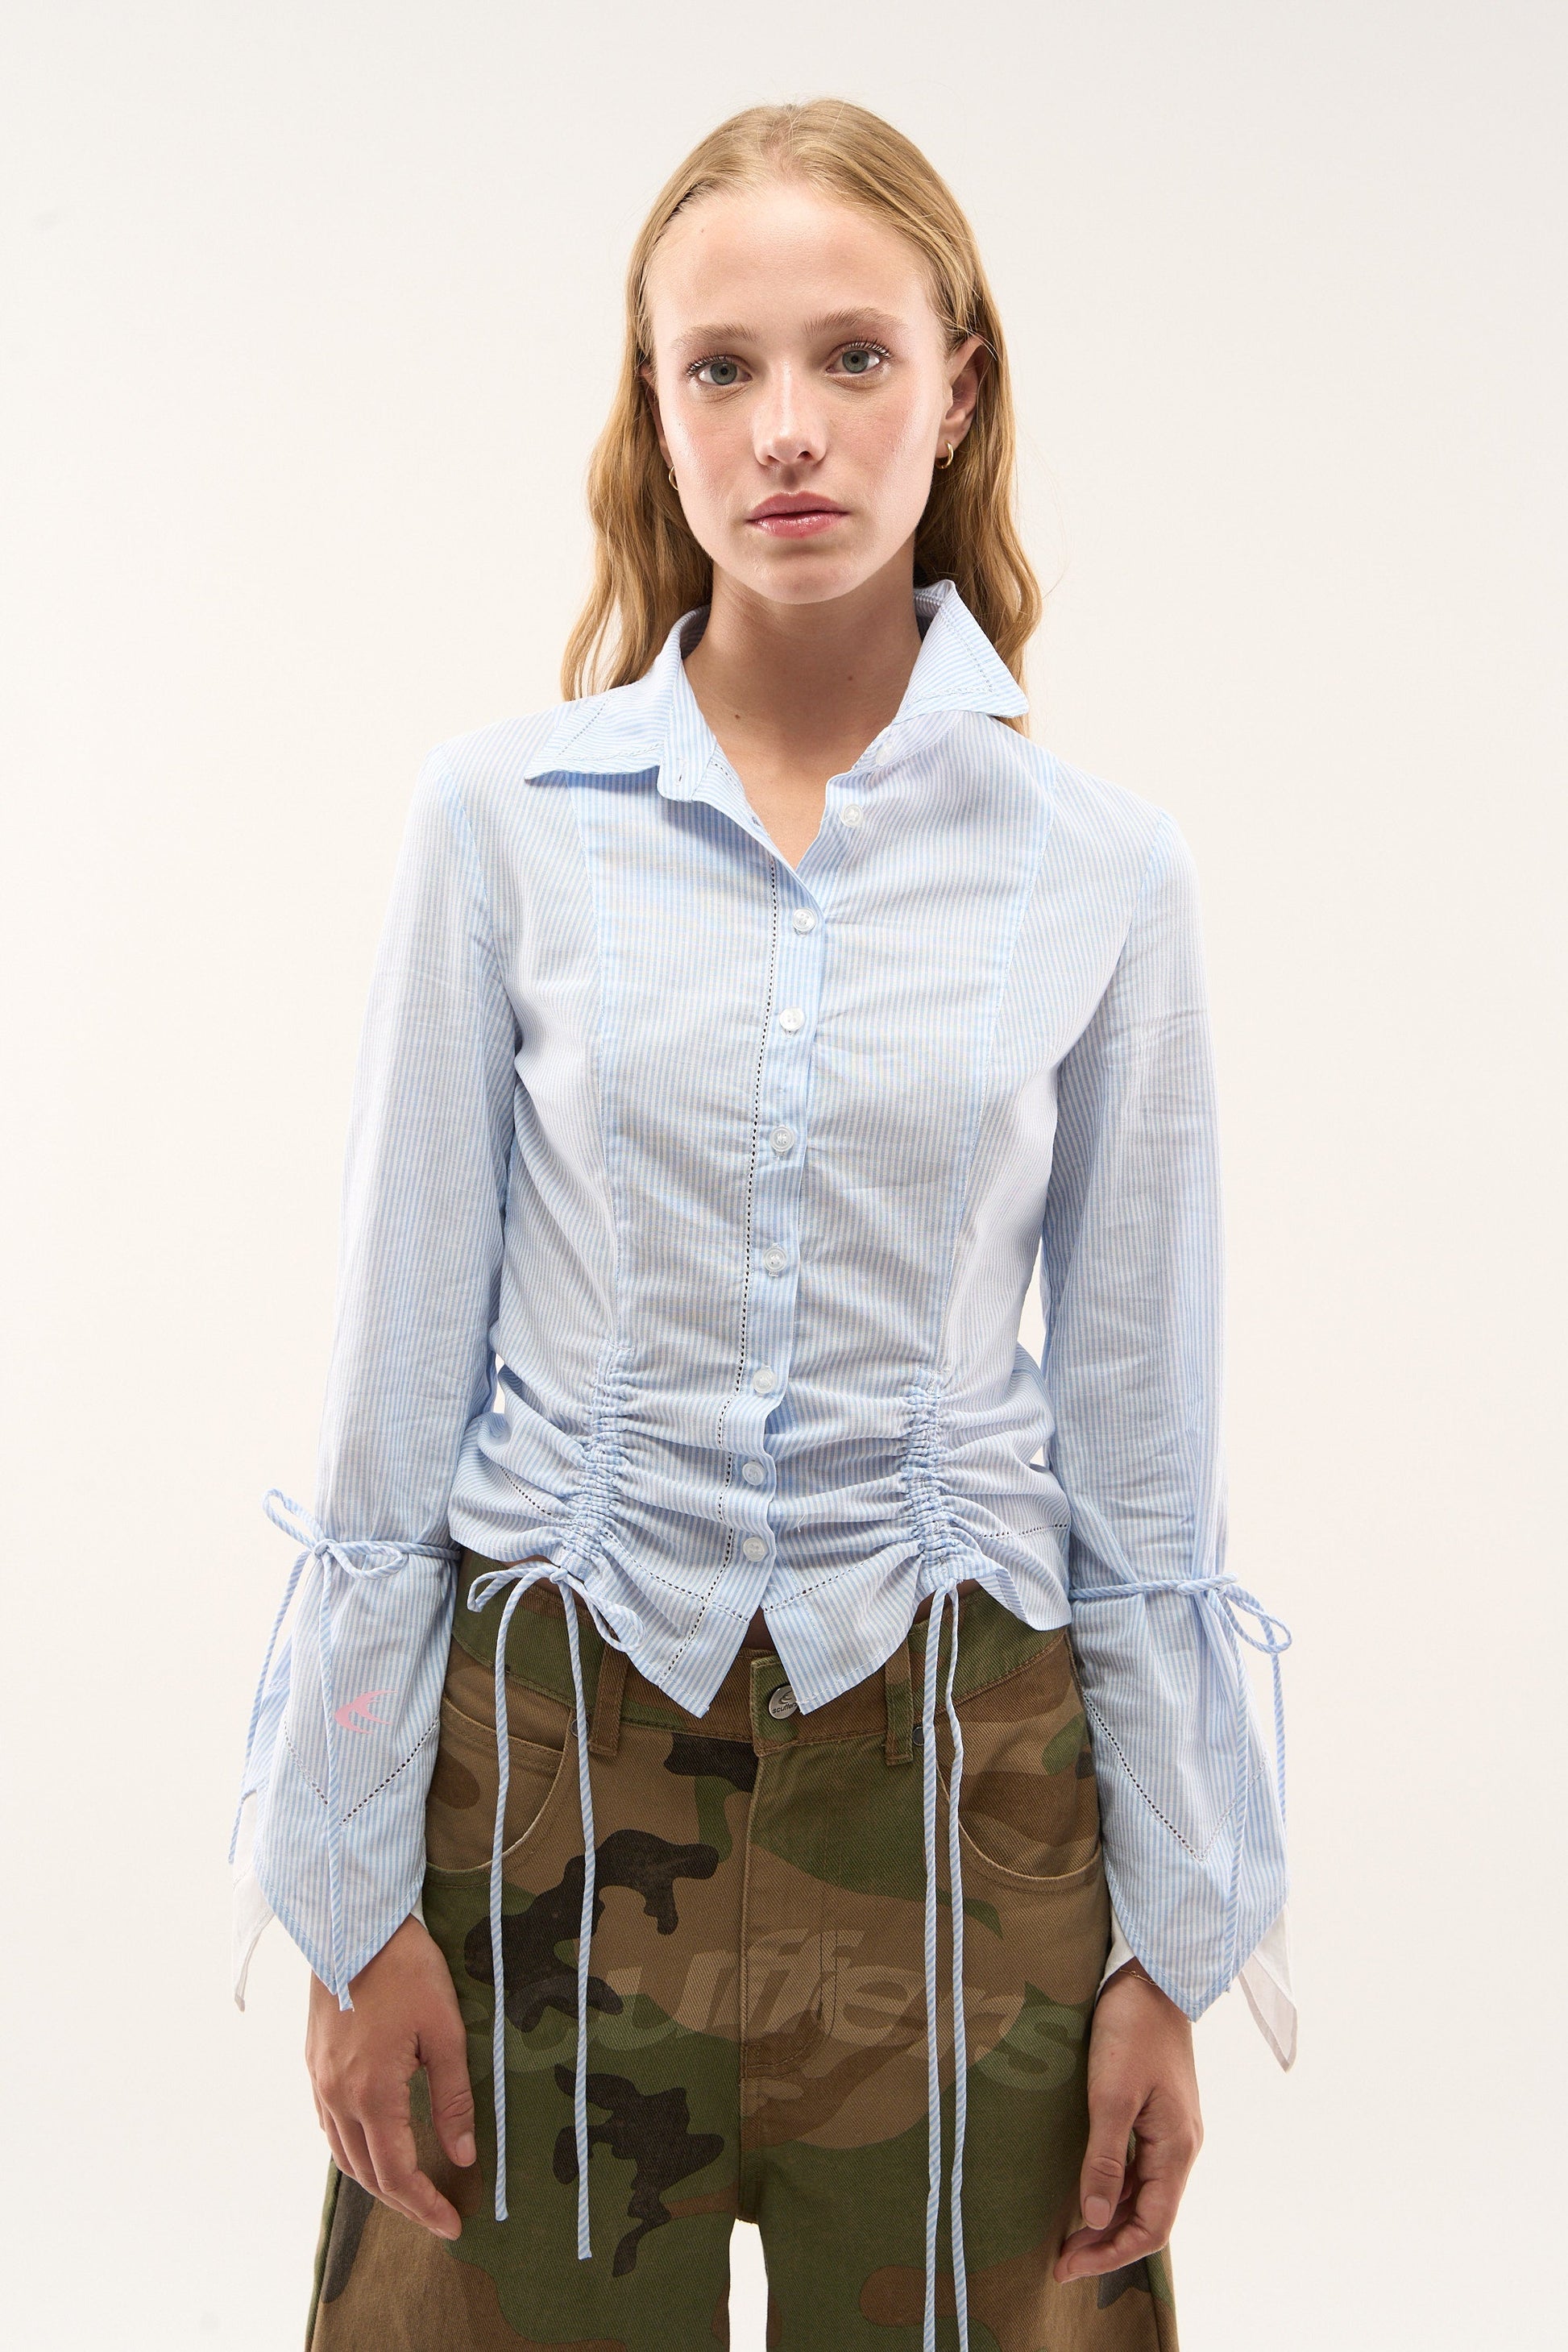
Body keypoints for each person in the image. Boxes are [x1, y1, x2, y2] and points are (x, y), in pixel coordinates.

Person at [230, 97, 1293, 2352]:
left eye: (852, 357)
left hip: (967, 1792)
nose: (785, 427)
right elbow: (391, 1391)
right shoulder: (502, 826)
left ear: (959, 387)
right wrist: (348, 1892)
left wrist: (1167, 1952)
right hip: (540, 1774)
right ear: (653, 405)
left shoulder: (1100, 871)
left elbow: (1141, 1442)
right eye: (720, 366)